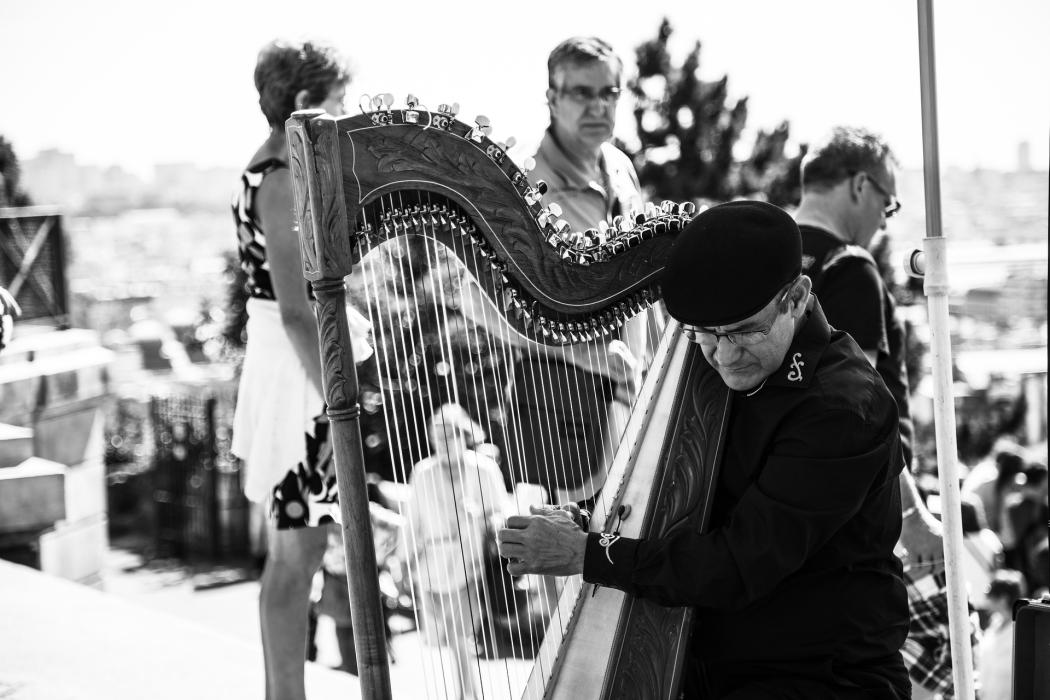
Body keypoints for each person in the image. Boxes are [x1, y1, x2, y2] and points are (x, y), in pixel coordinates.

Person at [499, 201, 911, 699]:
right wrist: (590, 520)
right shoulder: (718, 367)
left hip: (821, 677)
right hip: (727, 665)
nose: (725, 355)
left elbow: (739, 564)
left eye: (744, 331)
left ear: (797, 298)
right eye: (705, 336)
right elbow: (682, 497)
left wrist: (587, 554)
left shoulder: (842, 408)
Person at [794, 126, 972, 698]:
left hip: (799, 505)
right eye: (887, 202)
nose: (885, 221)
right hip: (870, 507)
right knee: (944, 658)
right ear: (858, 184)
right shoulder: (851, 268)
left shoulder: (769, 257)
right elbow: (858, 411)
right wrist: (914, 513)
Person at [229, 38, 353, 700]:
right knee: (295, 555)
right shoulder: (279, 177)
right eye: (339, 101)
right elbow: (297, 311)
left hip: (292, 368)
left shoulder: (279, 169)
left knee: (295, 552)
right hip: (297, 377)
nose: (347, 112)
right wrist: (341, 392)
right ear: (305, 103)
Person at [506, 36, 647, 504]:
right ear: (552, 99)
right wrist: (580, 351)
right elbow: (478, 299)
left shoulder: (622, 168)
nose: (598, 106)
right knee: (563, 560)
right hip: (557, 403)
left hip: (634, 396)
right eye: (582, 93)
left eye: (609, 93)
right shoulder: (522, 176)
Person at [405, 403, 508, 700]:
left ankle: (468, 694)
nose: (442, 442)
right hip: (432, 568)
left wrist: (479, 515)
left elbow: (502, 514)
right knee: (453, 638)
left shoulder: (484, 469)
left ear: (463, 435)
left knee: (460, 634)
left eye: (448, 435)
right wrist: (406, 561)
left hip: (471, 565)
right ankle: (469, 693)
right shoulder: (422, 472)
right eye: (436, 437)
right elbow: (413, 522)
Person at [977, 569, 1027, 700]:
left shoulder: (1021, 630)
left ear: (1003, 598)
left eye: (990, 594)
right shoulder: (994, 623)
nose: (986, 599)